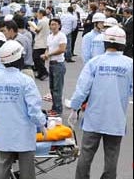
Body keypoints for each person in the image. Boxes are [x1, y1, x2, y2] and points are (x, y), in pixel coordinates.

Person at [0, 40, 47, 179]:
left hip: (3, 135)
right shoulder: (26, 81)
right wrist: (42, 124)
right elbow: (34, 110)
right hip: (24, 136)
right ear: (19, 59)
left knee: (1, 171)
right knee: (27, 173)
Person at [68, 26, 133, 179]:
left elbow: (82, 90)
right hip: (116, 119)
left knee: (86, 154)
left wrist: (74, 109)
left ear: (104, 43)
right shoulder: (129, 64)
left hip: (94, 118)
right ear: (123, 44)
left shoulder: (94, 62)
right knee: (112, 156)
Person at [41, 18, 67, 117]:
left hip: (58, 63)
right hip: (51, 63)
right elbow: (48, 48)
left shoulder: (62, 35)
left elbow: (62, 49)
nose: (53, 26)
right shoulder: (49, 36)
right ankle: (54, 108)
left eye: (55, 24)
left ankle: (58, 110)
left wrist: (49, 54)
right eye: (51, 24)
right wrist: (46, 54)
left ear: (59, 25)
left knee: (57, 89)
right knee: (52, 88)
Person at [29, 9, 49, 80]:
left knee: (36, 58)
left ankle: (44, 72)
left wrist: (31, 27)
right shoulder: (47, 20)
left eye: (38, 14)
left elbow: (37, 30)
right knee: (41, 59)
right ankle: (41, 73)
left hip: (40, 42)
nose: (37, 15)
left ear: (41, 14)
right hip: (45, 41)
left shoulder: (42, 21)